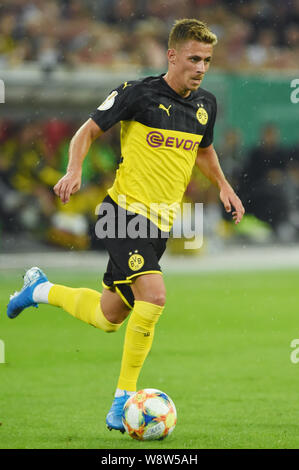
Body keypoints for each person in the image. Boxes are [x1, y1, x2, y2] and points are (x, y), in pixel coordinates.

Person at [7, 19, 245, 433]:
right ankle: (121, 401)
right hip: (122, 215)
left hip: (159, 228)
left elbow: (203, 150)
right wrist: (74, 169)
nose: (201, 67)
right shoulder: (137, 93)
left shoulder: (205, 104)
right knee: (154, 296)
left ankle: (39, 289)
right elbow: (86, 131)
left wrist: (223, 185)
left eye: (207, 60)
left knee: (108, 316)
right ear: (172, 56)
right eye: (193, 58)